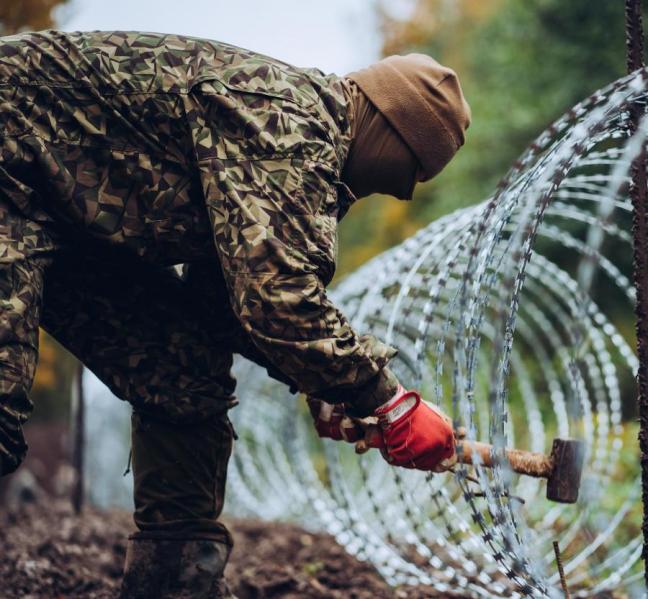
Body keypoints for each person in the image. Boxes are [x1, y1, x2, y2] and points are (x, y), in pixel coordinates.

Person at [0, 30, 469, 598]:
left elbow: (222, 301)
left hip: (62, 204)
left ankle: (174, 587)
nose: (398, 194)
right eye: (407, 171)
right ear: (387, 128)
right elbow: (278, 298)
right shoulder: (290, 126)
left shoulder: (303, 149)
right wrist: (390, 402)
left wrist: (325, 387)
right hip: (13, 157)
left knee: (182, 369)